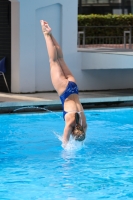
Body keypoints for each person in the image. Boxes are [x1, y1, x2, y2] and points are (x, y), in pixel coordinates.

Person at [40, 20, 87, 146]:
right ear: (73, 132)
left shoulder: (83, 121)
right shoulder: (70, 123)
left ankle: (51, 34)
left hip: (73, 86)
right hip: (64, 90)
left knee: (60, 58)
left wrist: (83, 138)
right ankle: (46, 34)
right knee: (53, 61)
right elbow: (64, 142)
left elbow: (85, 127)